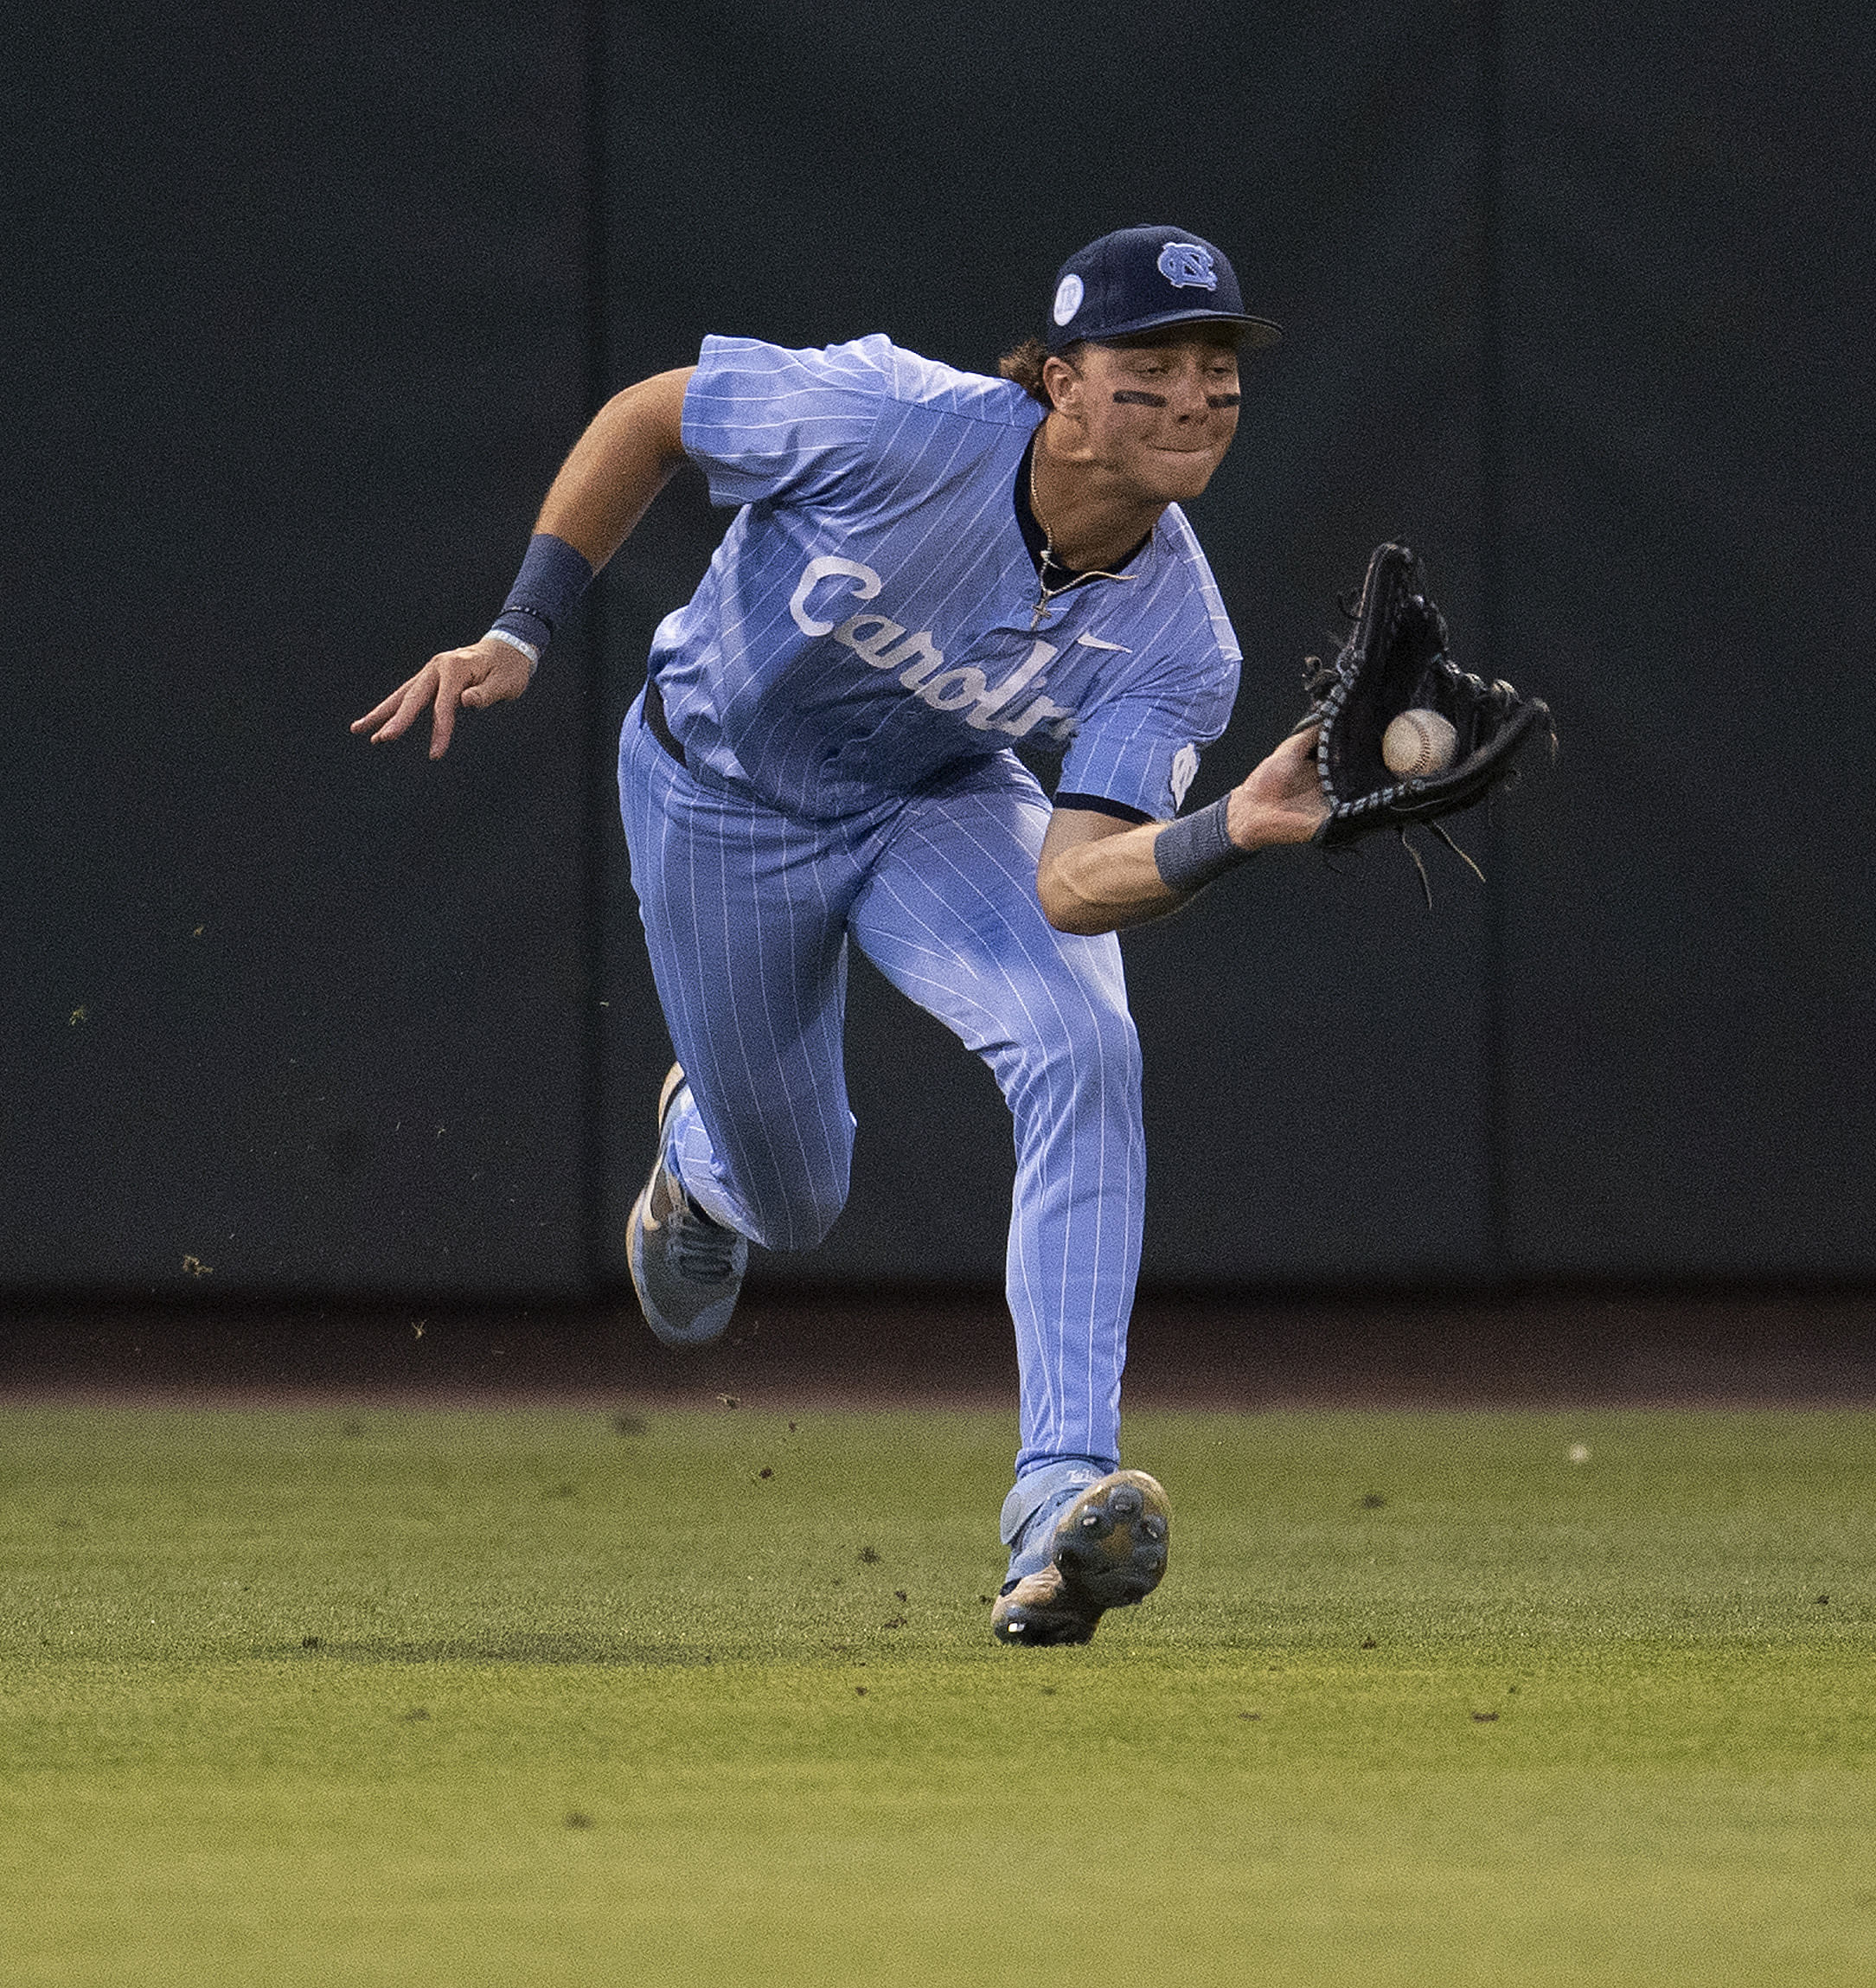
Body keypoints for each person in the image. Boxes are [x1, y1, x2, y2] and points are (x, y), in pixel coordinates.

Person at [355, 226, 1329, 1644]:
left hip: (938, 801)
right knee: (797, 1200)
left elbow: (1072, 884)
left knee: (1084, 1041)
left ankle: (1058, 1497)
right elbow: (651, 416)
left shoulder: (1184, 635)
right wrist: (524, 627)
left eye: (1216, 369)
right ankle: (706, 1162)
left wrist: (1232, 825)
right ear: (1061, 384)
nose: (1194, 397)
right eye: (1151, 366)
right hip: (719, 797)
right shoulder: (890, 418)